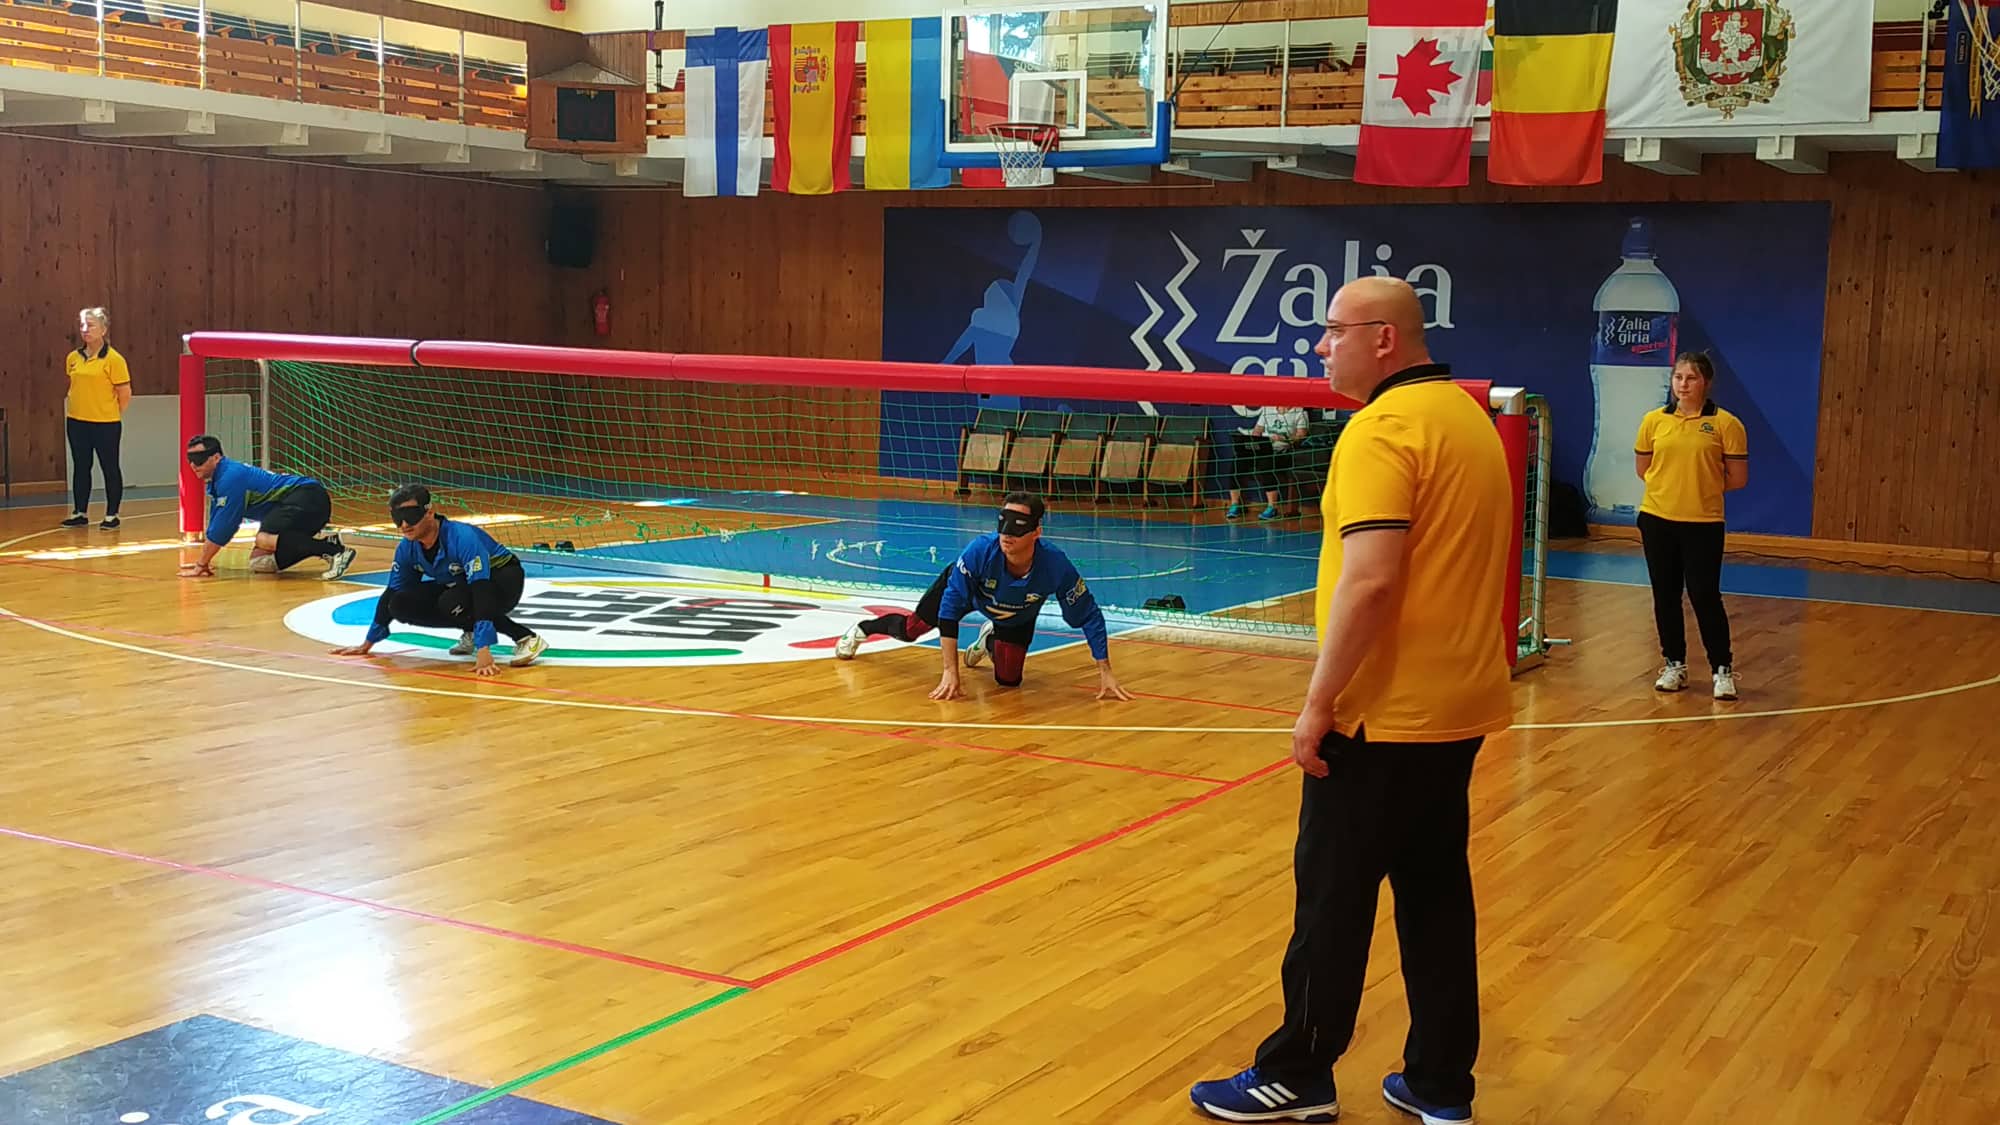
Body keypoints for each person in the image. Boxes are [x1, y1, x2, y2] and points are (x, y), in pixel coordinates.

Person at [1190, 278, 1515, 1125]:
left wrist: (1318, 701)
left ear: (1383, 339)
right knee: (1435, 897)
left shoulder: (1382, 429)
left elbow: (1370, 582)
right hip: (1458, 707)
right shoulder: (1466, 419)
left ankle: (1298, 1072)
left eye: (1333, 331)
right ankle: (1440, 1083)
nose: (1319, 346)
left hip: (1381, 714)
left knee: (1332, 897)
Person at [833, 491, 1133, 702]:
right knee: (911, 629)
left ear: (1036, 532)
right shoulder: (979, 551)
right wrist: (950, 672)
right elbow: (949, 609)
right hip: (968, 596)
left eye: (1018, 527)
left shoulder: (1056, 566)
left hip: (1016, 614)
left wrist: (1105, 671)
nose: (1007, 534)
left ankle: (989, 638)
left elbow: (1088, 615)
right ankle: (862, 629)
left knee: (1009, 680)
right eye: (1003, 524)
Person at [331, 484, 548, 676]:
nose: (404, 524)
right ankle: (471, 629)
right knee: (400, 604)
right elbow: (393, 590)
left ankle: (526, 638)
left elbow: (481, 588)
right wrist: (367, 643)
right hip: (463, 584)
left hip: (501, 579)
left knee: (452, 602)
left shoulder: (462, 537)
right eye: (397, 518)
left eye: (411, 516)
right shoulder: (408, 548)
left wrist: (484, 650)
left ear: (429, 512)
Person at [1634, 351, 1747, 700]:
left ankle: (1722, 670)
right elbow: (1644, 469)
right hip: (1657, 519)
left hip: (1703, 523)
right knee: (1665, 595)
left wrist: (1700, 487)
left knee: (1704, 595)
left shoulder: (1726, 424)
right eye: (1678, 377)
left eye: (1691, 378)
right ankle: (1674, 665)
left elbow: (1737, 477)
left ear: (1706, 383)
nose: (1683, 385)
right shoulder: (1653, 421)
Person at [178, 434, 356, 580]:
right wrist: (204, 561)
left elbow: (223, 528)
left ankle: (335, 551)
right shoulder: (218, 481)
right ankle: (323, 544)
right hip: (292, 506)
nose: (193, 465)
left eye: (199, 459)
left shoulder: (230, 478)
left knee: (264, 538)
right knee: (261, 563)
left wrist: (201, 564)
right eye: (190, 460)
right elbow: (216, 522)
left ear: (216, 458)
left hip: (308, 496)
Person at [62, 307, 130, 530]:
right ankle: (80, 512)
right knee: (81, 466)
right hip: (76, 421)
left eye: (90, 325)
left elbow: (124, 393)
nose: (85, 329)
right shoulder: (73, 358)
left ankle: (112, 515)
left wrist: (109, 413)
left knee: (109, 467)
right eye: (82, 324)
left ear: (103, 329)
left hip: (105, 424)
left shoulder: (114, 359)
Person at [1227, 403, 1312, 520]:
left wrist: (1284, 438)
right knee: (1238, 462)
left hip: (1283, 451)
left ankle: (1272, 507)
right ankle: (1235, 505)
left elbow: (1301, 436)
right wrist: (1255, 441)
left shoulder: (1300, 412)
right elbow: (1257, 430)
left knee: (1266, 464)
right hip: (1264, 448)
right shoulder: (1268, 409)